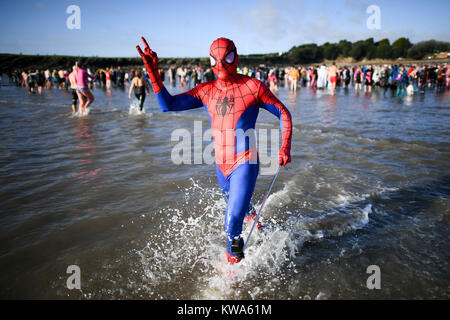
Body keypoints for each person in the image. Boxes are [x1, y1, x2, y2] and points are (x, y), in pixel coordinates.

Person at [137, 36, 292, 264]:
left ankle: (231, 279)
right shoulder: (206, 90)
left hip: (245, 161)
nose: (221, 63)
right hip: (221, 166)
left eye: (227, 57)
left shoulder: (253, 87)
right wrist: (153, 72)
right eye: (215, 58)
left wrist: (285, 145)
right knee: (243, 208)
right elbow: (167, 105)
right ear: (210, 61)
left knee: (232, 220)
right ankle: (262, 230)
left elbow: (283, 112)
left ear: (236, 57)